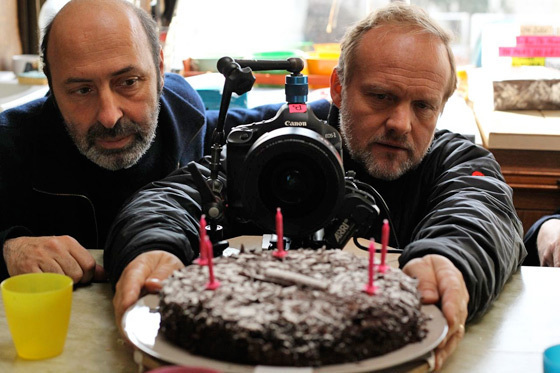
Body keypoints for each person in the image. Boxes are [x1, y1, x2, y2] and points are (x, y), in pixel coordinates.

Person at [104, 3, 526, 370]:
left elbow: (480, 208)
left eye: (422, 106)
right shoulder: (272, 144)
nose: (401, 123)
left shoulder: (453, 162)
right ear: (339, 88)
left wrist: (451, 259)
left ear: (442, 107)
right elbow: (166, 199)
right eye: (380, 97)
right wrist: (153, 246)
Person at [0, 0, 300, 284]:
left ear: (159, 68)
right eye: (82, 90)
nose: (109, 116)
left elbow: (248, 127)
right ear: (51, 84)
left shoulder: (188, 117)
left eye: (128, 82)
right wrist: (9, 249)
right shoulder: (11, 143)